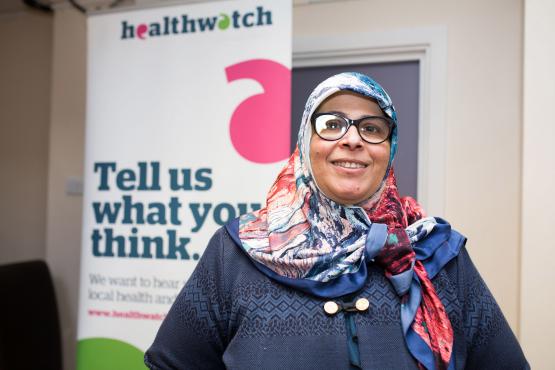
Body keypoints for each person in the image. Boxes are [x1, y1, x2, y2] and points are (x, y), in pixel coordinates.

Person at [144, 72, 529, 369]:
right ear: (305, 143)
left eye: (372, 128)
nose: (353, 140)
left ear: (388, 150)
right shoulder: (236, 251)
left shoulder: (438, 253)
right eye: (332, 124)